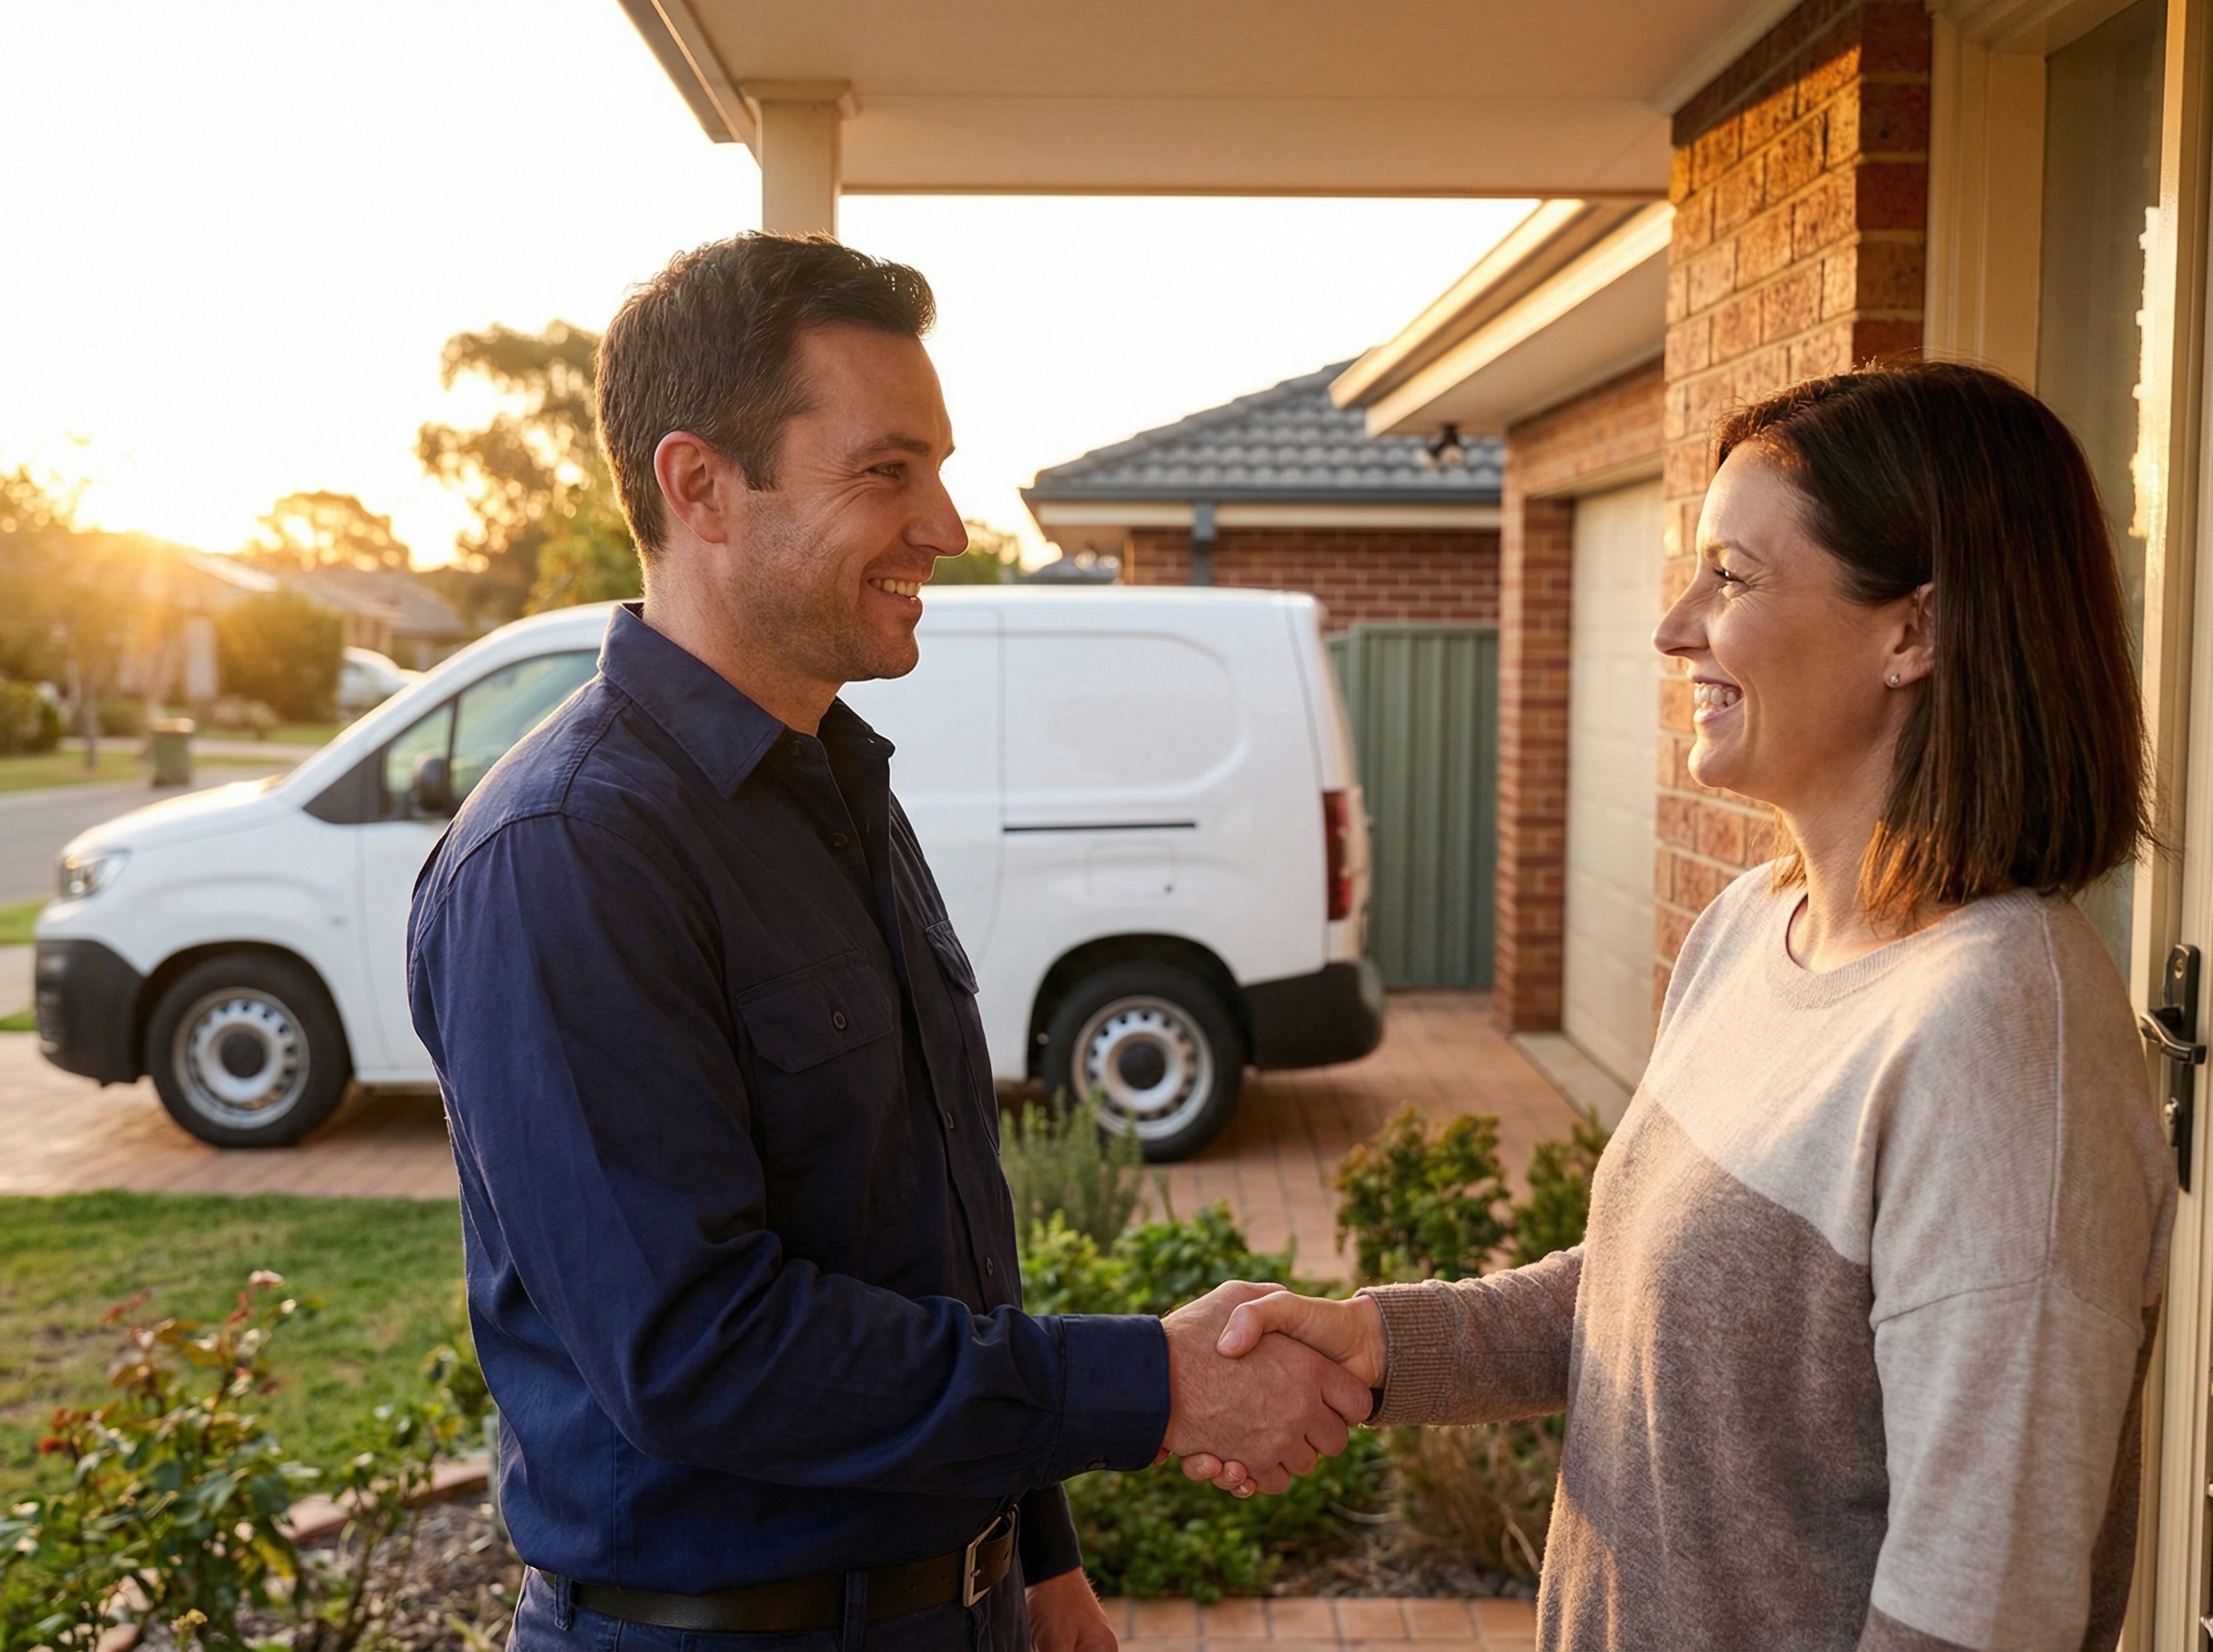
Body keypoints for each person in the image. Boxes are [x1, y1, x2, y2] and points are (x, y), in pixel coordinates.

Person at [406, 232, 1369, 1652]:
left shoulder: (840, 789)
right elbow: (700, 1351)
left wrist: (1037, 1559)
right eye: (887, 471)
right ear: (700, 487)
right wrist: (1151, 1387)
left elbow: (940, 1248)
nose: (950, 524)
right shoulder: (570, 853)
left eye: (936, 468)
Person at [1195, 360, 2178, 1650]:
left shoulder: (1996, 1038)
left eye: (1733, 577)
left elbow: (1981, 1612)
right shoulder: (1749, 929)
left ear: (1915, 632)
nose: (1673, 627)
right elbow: (1648, 1298)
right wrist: (1382, 1341)